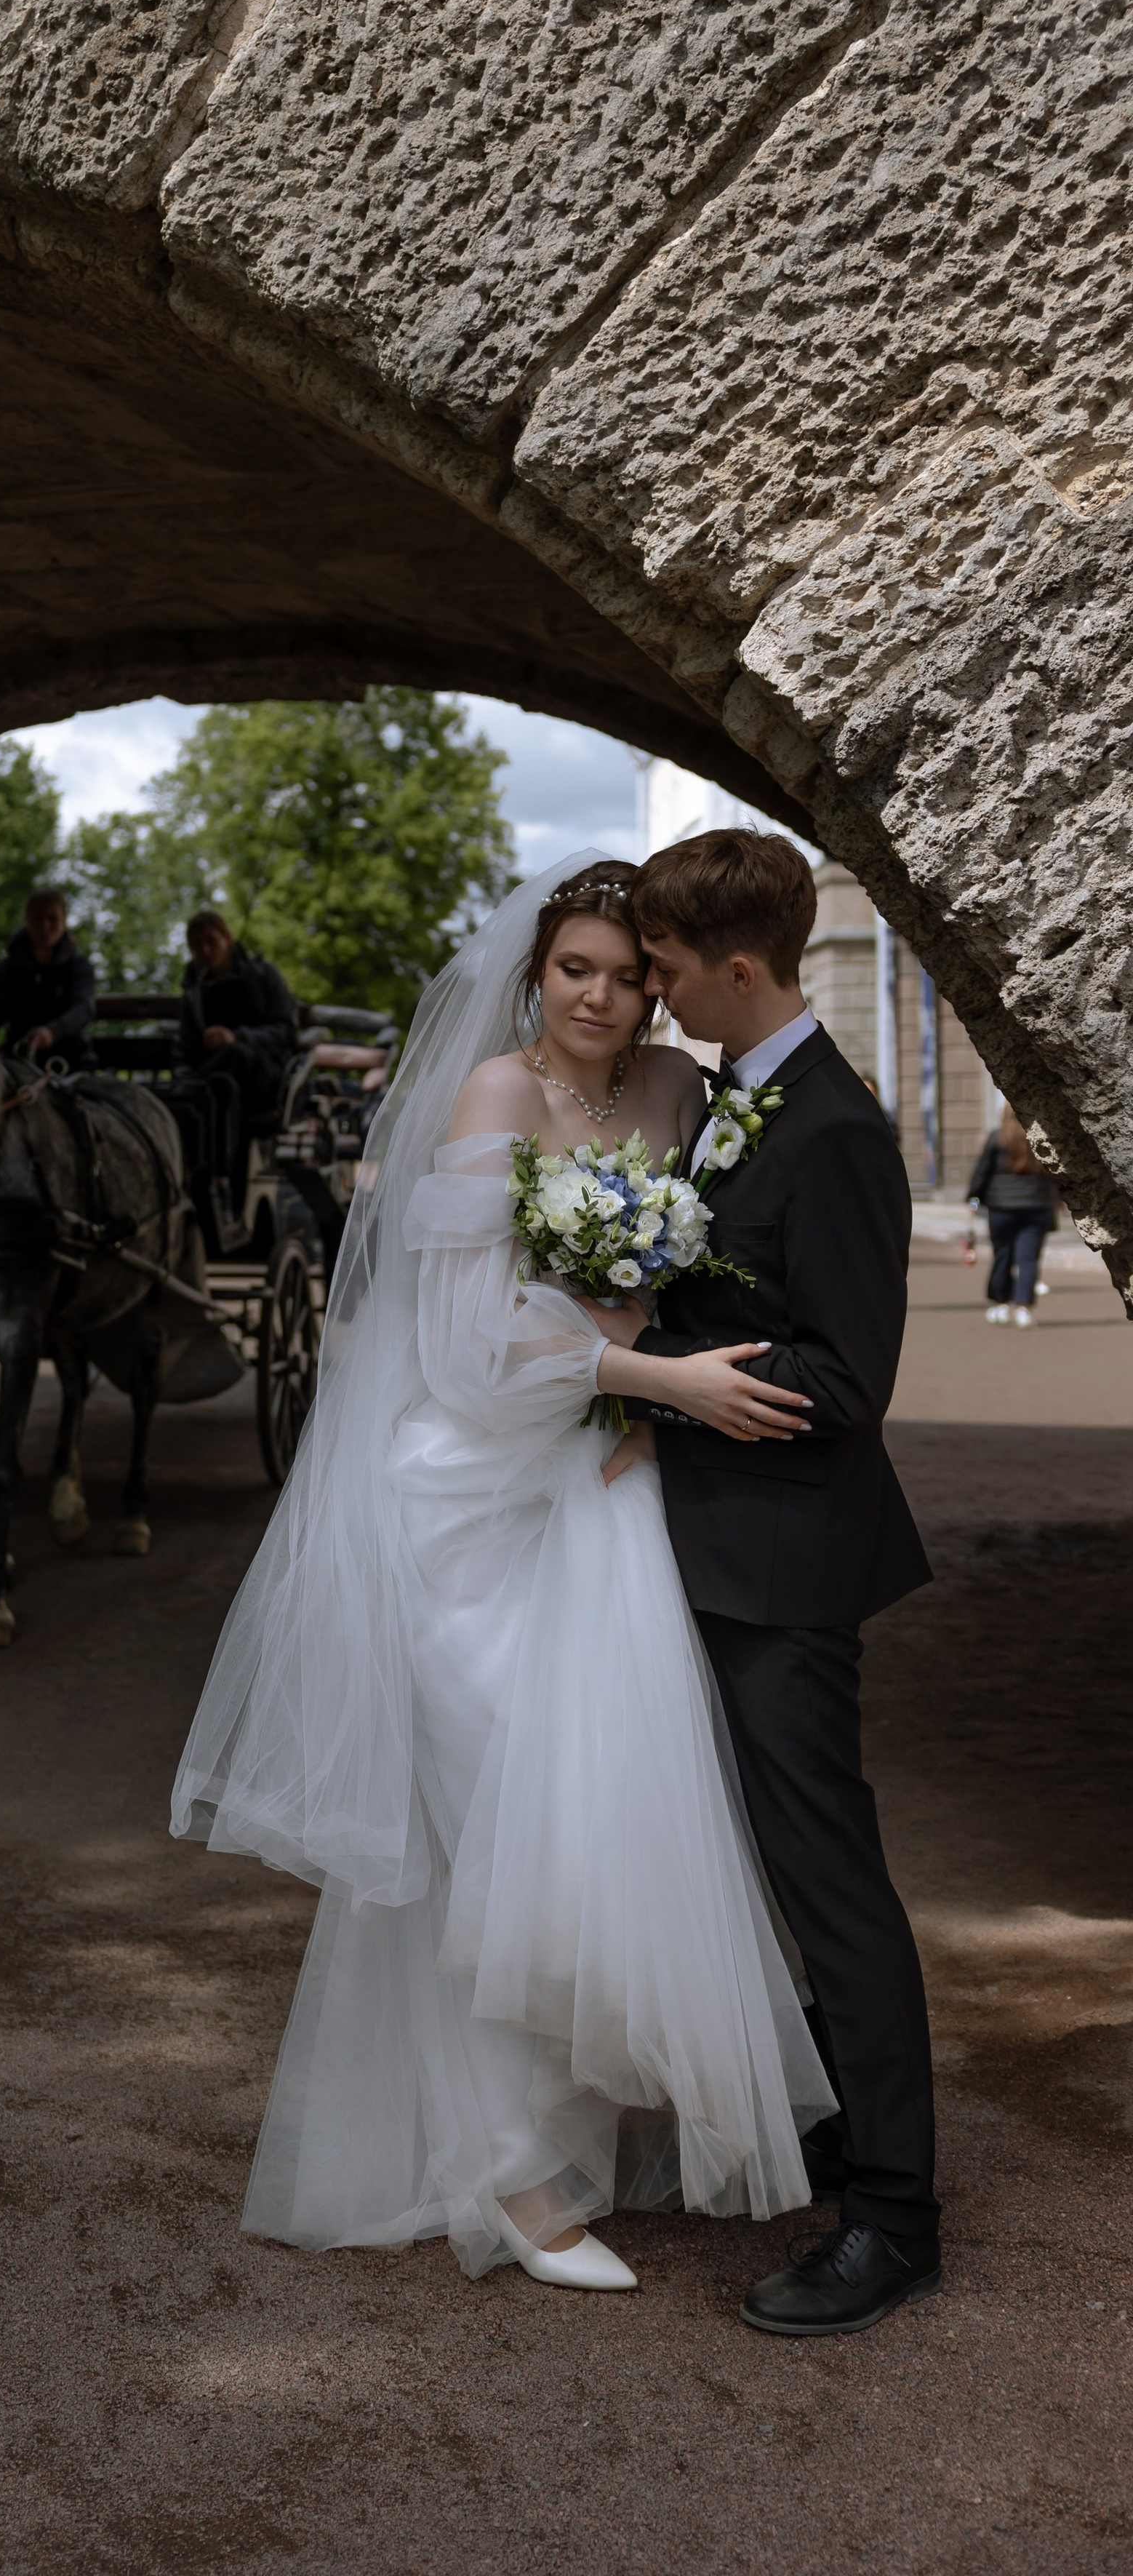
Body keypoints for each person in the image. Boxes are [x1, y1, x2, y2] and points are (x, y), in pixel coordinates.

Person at [172, 858, 838, 2302]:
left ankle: (573, 2136)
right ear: (534, 975)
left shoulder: (673, 1095)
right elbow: (467, 1340)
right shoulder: (491, 1099)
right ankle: (509, 2183)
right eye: (573, 972)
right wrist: (643, 1378)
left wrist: (643, 1413)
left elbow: (711, 1283)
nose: (601, 998)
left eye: (625, 973)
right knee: (482, 1847)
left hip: (598, 1490)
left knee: (587, 1827)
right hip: (467, 1502)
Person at [604, 827, 938, 2339]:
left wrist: (655, 1377)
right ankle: (830, 2124)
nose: (654, 991)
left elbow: (843, 1377)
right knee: (757, 1867)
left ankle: (893, 2214)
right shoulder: (738, 1101)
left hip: (784, 1570)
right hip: (705, 1543)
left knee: (828, 1885)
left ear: (738, 967)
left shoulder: (836, 1131)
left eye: (665, 967)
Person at [172, 912, 297, 1216]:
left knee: (234, 1057)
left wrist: (235, 1036)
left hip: (263, 1073)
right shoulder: (194, 988)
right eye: (196, 945)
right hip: (215, 1080)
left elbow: (286, 1031)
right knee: (218, 1084)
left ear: (227, 939)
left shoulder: (263, 974)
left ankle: (221, 1175)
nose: (204, 950)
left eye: (210, 942)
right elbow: (186, 1043)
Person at [0, 888, 97, 1074]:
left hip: (71, 1062)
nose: (45, 925)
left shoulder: (79, 966)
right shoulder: (8, 968)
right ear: (27, 920)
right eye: (38, 918)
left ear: (64, 921)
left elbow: (84, 1009)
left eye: (52, 918)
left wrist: (51, 1033)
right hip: (16, 1062)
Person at [967, 1106, 1060, 1326]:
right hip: (1036, 1205)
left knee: (1002, 1255)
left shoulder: (997, 1137)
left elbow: (982, 1171)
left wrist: (973, 1198)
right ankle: (1024, 1309)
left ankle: (1000, 1305)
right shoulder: (1043, 1137)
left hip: (1002, 1207)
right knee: (1028, 1260)